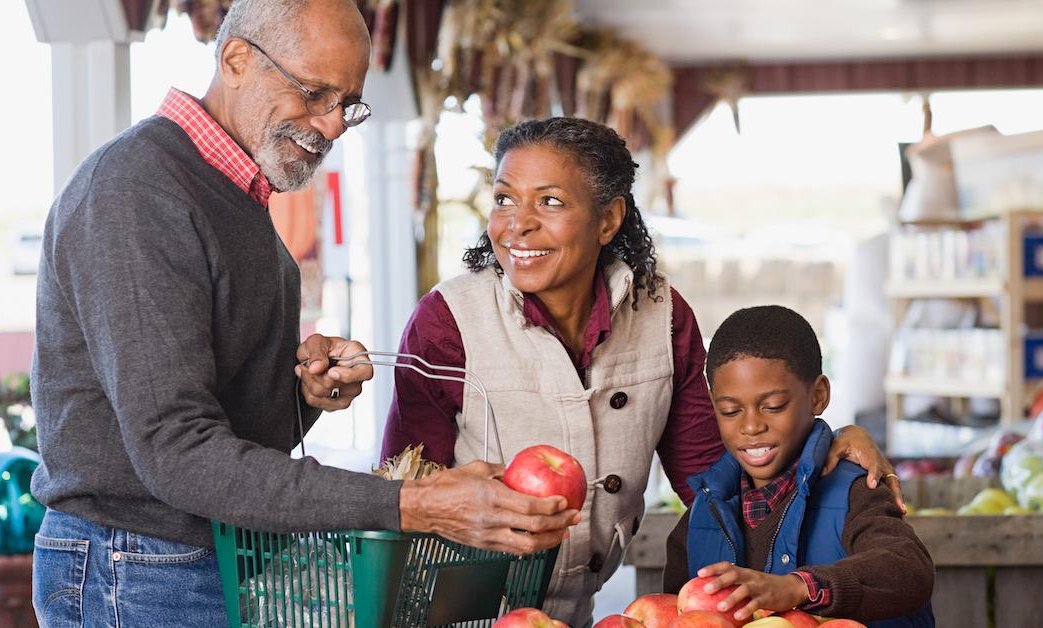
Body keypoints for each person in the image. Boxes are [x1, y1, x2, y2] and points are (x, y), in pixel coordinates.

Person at [29, 1, 575, 626]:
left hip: (199, 559)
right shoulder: (136, 190)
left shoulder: (237, 193)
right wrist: (409, 504)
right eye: (316, 93)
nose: (335, 125)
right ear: (236, 58)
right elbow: (177, 452)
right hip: (137, 567)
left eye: (348, 104)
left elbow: (229, 438)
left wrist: (302, 399)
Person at [381, 117, 903, 626]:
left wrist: (825, 442)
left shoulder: (662, 316)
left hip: (576, 613)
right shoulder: (447, 321)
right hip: (451, 610)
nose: (517, 222)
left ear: (608, 219)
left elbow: (715, 480)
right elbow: (404, 489)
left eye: (551, 201)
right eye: (504, 198)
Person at [663, 306, 934, 626]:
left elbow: (908, 568)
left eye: (773, 406)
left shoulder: (854, 491)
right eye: (730, 411)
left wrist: (799, 587)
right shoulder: (702, 515)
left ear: (818, 396)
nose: (751, 426)